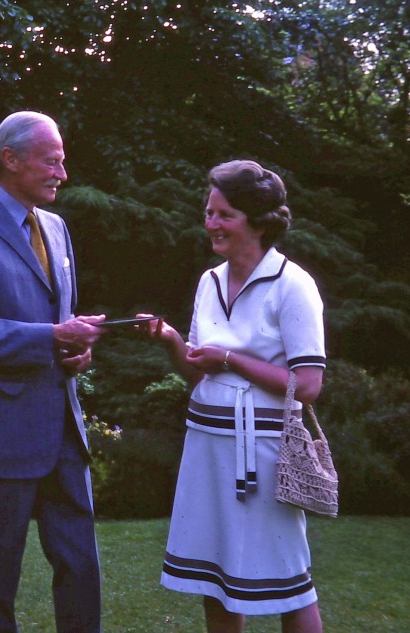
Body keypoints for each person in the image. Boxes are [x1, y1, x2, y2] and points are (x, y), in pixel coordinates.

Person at [0, 110, 106, 633]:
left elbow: (58, 322)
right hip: (0, 434)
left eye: (63, 161)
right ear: (10, 160)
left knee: (81, 566)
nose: (62, 173)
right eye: (51, 161)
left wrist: (78, 351)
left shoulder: (55, 227)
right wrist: (53, 339)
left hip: (62, 430)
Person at [142, 160, 326, 633]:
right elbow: (198, 373)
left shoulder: (293, 285)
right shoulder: (209, 282)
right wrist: (170, 341)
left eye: (224, 214)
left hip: (264, 454)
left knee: (290, 580)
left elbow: (307, 385)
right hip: (207, 447)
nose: (211, 223)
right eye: (208, 213)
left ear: (258, 221)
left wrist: (229, 359)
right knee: (216, 577)